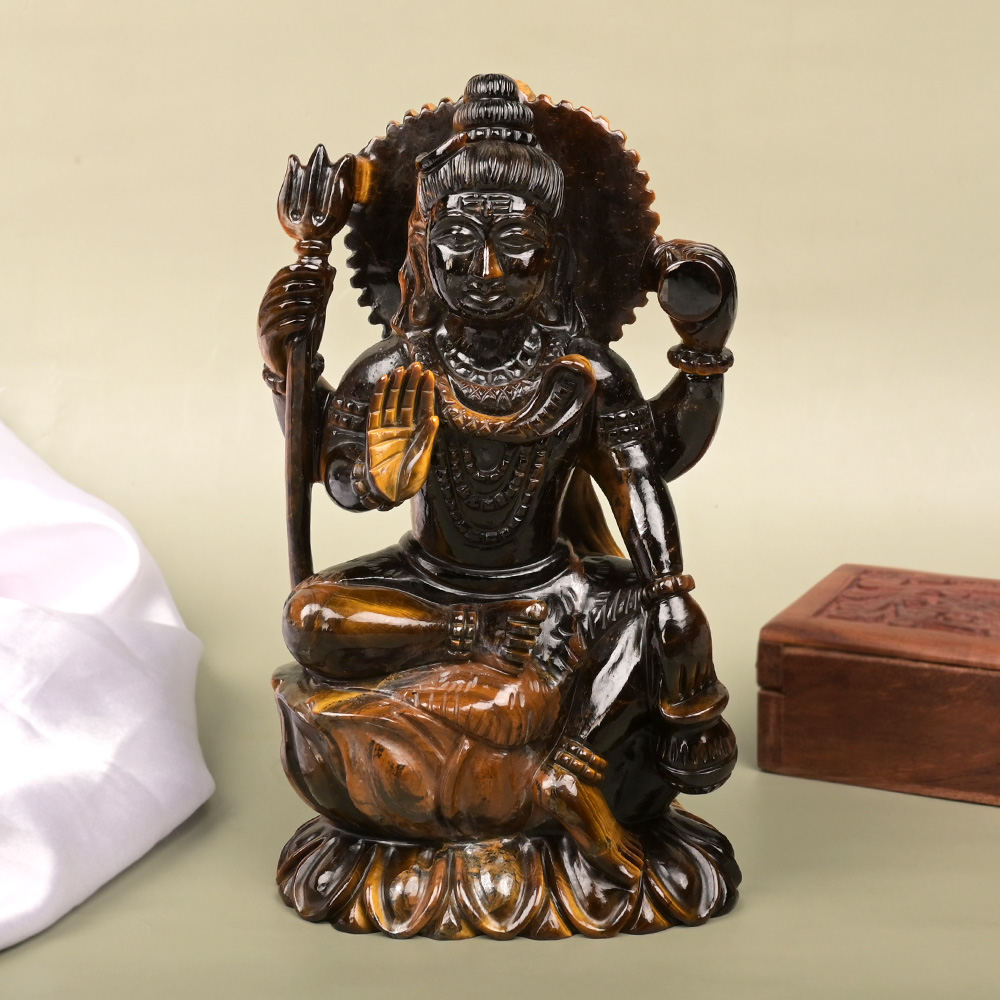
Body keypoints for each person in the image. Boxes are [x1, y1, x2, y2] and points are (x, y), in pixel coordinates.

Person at [259, 74, 736, 890]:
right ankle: (488, 663)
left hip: (552, 591)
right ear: (421, 248)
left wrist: (669, 590)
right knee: (312, 617)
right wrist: (361, 457)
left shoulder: (583, 373)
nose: (485, 267)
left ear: (556, 251)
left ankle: (556, 769)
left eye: (514, 239)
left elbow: (645, 475)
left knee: (643, 615)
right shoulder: (394, 369)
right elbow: (331, 480)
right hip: (428, 593)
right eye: (458, 237)